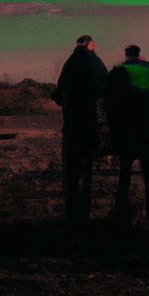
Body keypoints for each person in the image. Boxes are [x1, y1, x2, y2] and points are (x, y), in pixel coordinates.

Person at [105, 44, 149, 230]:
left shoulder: (118, 71)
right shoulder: (148, 69)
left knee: (124, 176)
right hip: (147, 131)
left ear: (126, 55)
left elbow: (110, 100)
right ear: (139, 54)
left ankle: (121, 217)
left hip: (127, 132)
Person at [52, 35, 108, 226]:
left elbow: (59, 90)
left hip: (71, 126)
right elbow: (105, 87)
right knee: (87, 172)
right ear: (90, 45)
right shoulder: (95, 63)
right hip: (88, 125)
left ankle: (71, 217)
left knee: (71, 172)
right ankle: (84, 216)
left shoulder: (69, 64)